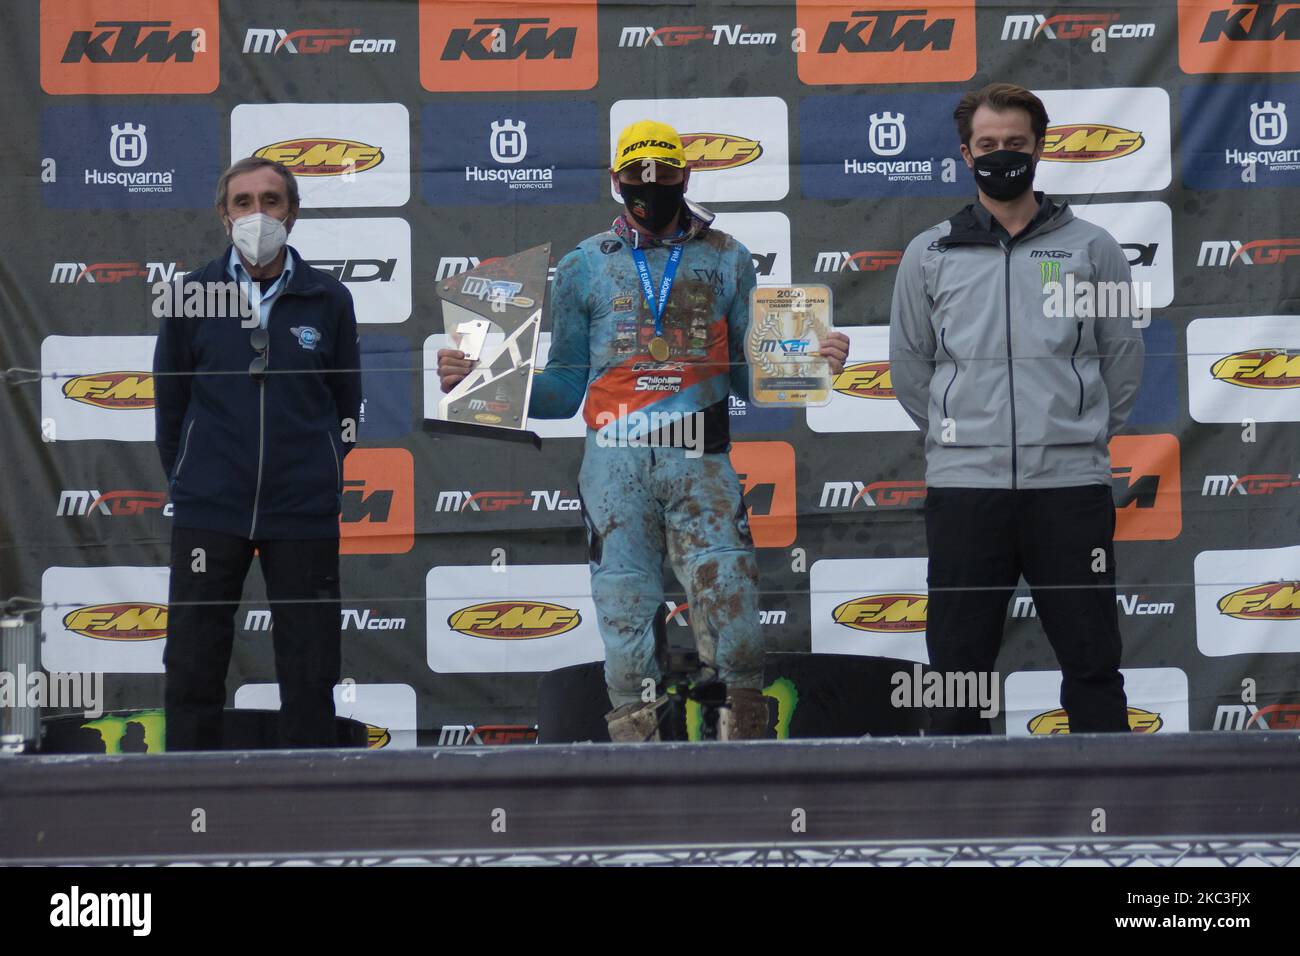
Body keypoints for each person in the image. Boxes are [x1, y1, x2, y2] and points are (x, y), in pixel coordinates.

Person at [438, 120, 849, 741]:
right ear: (615, 181)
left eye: (663, 175)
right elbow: (561, 391)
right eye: (637, 177)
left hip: (701, 463)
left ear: (686, 177)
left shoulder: (727, 256)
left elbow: (746, 380)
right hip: (615, 469)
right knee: (627, 633)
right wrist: (483, 381)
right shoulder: (582, 266)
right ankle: (642, 783)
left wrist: (806, 365)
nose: (650, 187)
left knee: (736, 629)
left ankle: (747, 779)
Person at [888, 84, 1145, 735]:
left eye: (1015, 145)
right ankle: (961, 820)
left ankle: (1111, 820)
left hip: (1069, 489)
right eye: (988, 146)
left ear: (1040, 148)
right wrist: (962, 437)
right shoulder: (929, 254)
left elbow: (1121, 359)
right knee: (957, 666)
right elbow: (911, 366)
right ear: (964, 154)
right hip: (966, 491)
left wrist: (1072, 433)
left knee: (1092, 658)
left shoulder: (1094, 248)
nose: (1002, 156)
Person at [153, 157, 362, 750]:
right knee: (193, 660)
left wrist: (321, 472)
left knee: (310, 665)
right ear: (224, 217)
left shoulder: (328, 297)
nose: (258, 214)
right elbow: (171, 407)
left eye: (271, 201)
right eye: (243, 203)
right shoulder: (189, 296)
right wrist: (194, 480)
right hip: (208, 510)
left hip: (303, 511)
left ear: (292, 213)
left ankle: (309, 804)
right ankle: (188, 797)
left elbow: (347, 404)